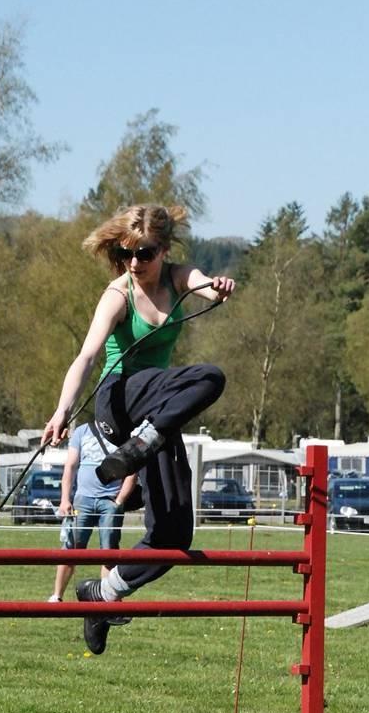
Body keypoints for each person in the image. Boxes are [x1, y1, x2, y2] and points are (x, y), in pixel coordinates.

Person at [41, 203, 235, 654]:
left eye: (145, 253)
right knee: (209, 376)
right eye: (127, 254)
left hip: (156, 416)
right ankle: (144, 442)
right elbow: (87, 357)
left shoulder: (178, 277)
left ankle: (102, 596)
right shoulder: (118, 293)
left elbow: (204, 286)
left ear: (163, 249)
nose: (135, 263)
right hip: (118, 402)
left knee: (174, 536)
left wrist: (220, 288)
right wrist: (61, 411)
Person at [46, 421, 138, 604]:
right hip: (83, 500)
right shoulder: (82, 431)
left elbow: (132, 472)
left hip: (110, 502)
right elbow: (70, 466)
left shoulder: (125, 433)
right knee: (70, 549)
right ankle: (57, 596)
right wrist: (65, 499)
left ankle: (108, 598)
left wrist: (119, 501)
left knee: (109, 553)